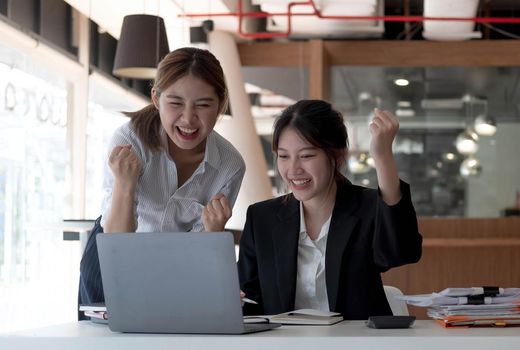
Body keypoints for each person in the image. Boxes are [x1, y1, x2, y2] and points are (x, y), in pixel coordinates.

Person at [78, 47, 245, 315]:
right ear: (156, 98)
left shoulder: (229, 165)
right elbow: (118, 240)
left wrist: (214, 233)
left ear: (221, 103)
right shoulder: (130, 141)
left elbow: (201, 251)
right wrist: (125, 184)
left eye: (203, 105)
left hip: (176, 263)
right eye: (175, 103)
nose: (188, 119)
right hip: (111, 255)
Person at [237, 100, 422, 320]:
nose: (293, 169)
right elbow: (249, 303)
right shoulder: (262, 218)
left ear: (336, 155)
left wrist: (382, 157)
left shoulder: (367, 207)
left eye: (306, 156)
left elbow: (402, 251)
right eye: (284, 156)